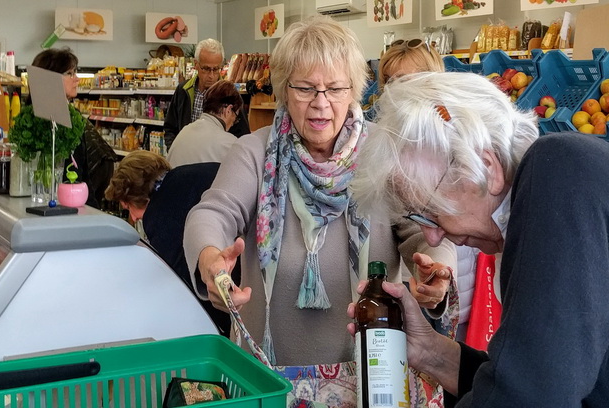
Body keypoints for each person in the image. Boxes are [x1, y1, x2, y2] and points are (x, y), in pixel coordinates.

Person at [350, 71, 609, 408]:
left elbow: (532, 396)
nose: (433, 236)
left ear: (486, 168)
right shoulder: (547, 194)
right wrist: (429, 351)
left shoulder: (558, 171)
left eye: (431, 214)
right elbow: (544, 378)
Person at [183, 16, 438, 367]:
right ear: (284, 89)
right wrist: (211, 258)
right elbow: (213, 213)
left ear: (354, 90)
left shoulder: (384, 152)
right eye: (305, 88)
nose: (321, 102)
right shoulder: (255, 153)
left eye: (335, 88)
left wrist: (436, 267)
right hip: (268, 377)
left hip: (368, 376)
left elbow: (422, 228)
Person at [379, 40, 497, 344]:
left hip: (472, 292)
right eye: (392, 83)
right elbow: (412, 231)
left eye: (413, 81)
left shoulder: (465, 136)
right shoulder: (387, 154)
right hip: (428, 294)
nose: (401, 93)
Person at [104, 150, 236, 336]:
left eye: (129, 207)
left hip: (232, 290)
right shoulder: (186, 176)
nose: (133, 218)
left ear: (138, 195)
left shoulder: (160, 216)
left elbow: (180, 283)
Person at [30, 48, 118, 210]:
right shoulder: (46, 120)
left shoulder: (69, 116)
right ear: (50, 79)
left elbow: (81, 169)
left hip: (76, 200)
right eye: (70, 73)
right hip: (65, 203)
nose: (76, 79)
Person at [163, 38, 250, 149]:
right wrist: (174, 148)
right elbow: (170, 127)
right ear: (196, 65)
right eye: (206, 69)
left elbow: (242, 135)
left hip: (216, 159)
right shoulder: (183, 90)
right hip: (186, 156)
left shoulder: (230, 95)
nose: (211, 75)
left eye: (216, 69)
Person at [166, 80, 242, 168]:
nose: (233, 124)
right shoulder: (229, 144)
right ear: (228, 110)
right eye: (235, 118)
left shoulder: (185, 131)